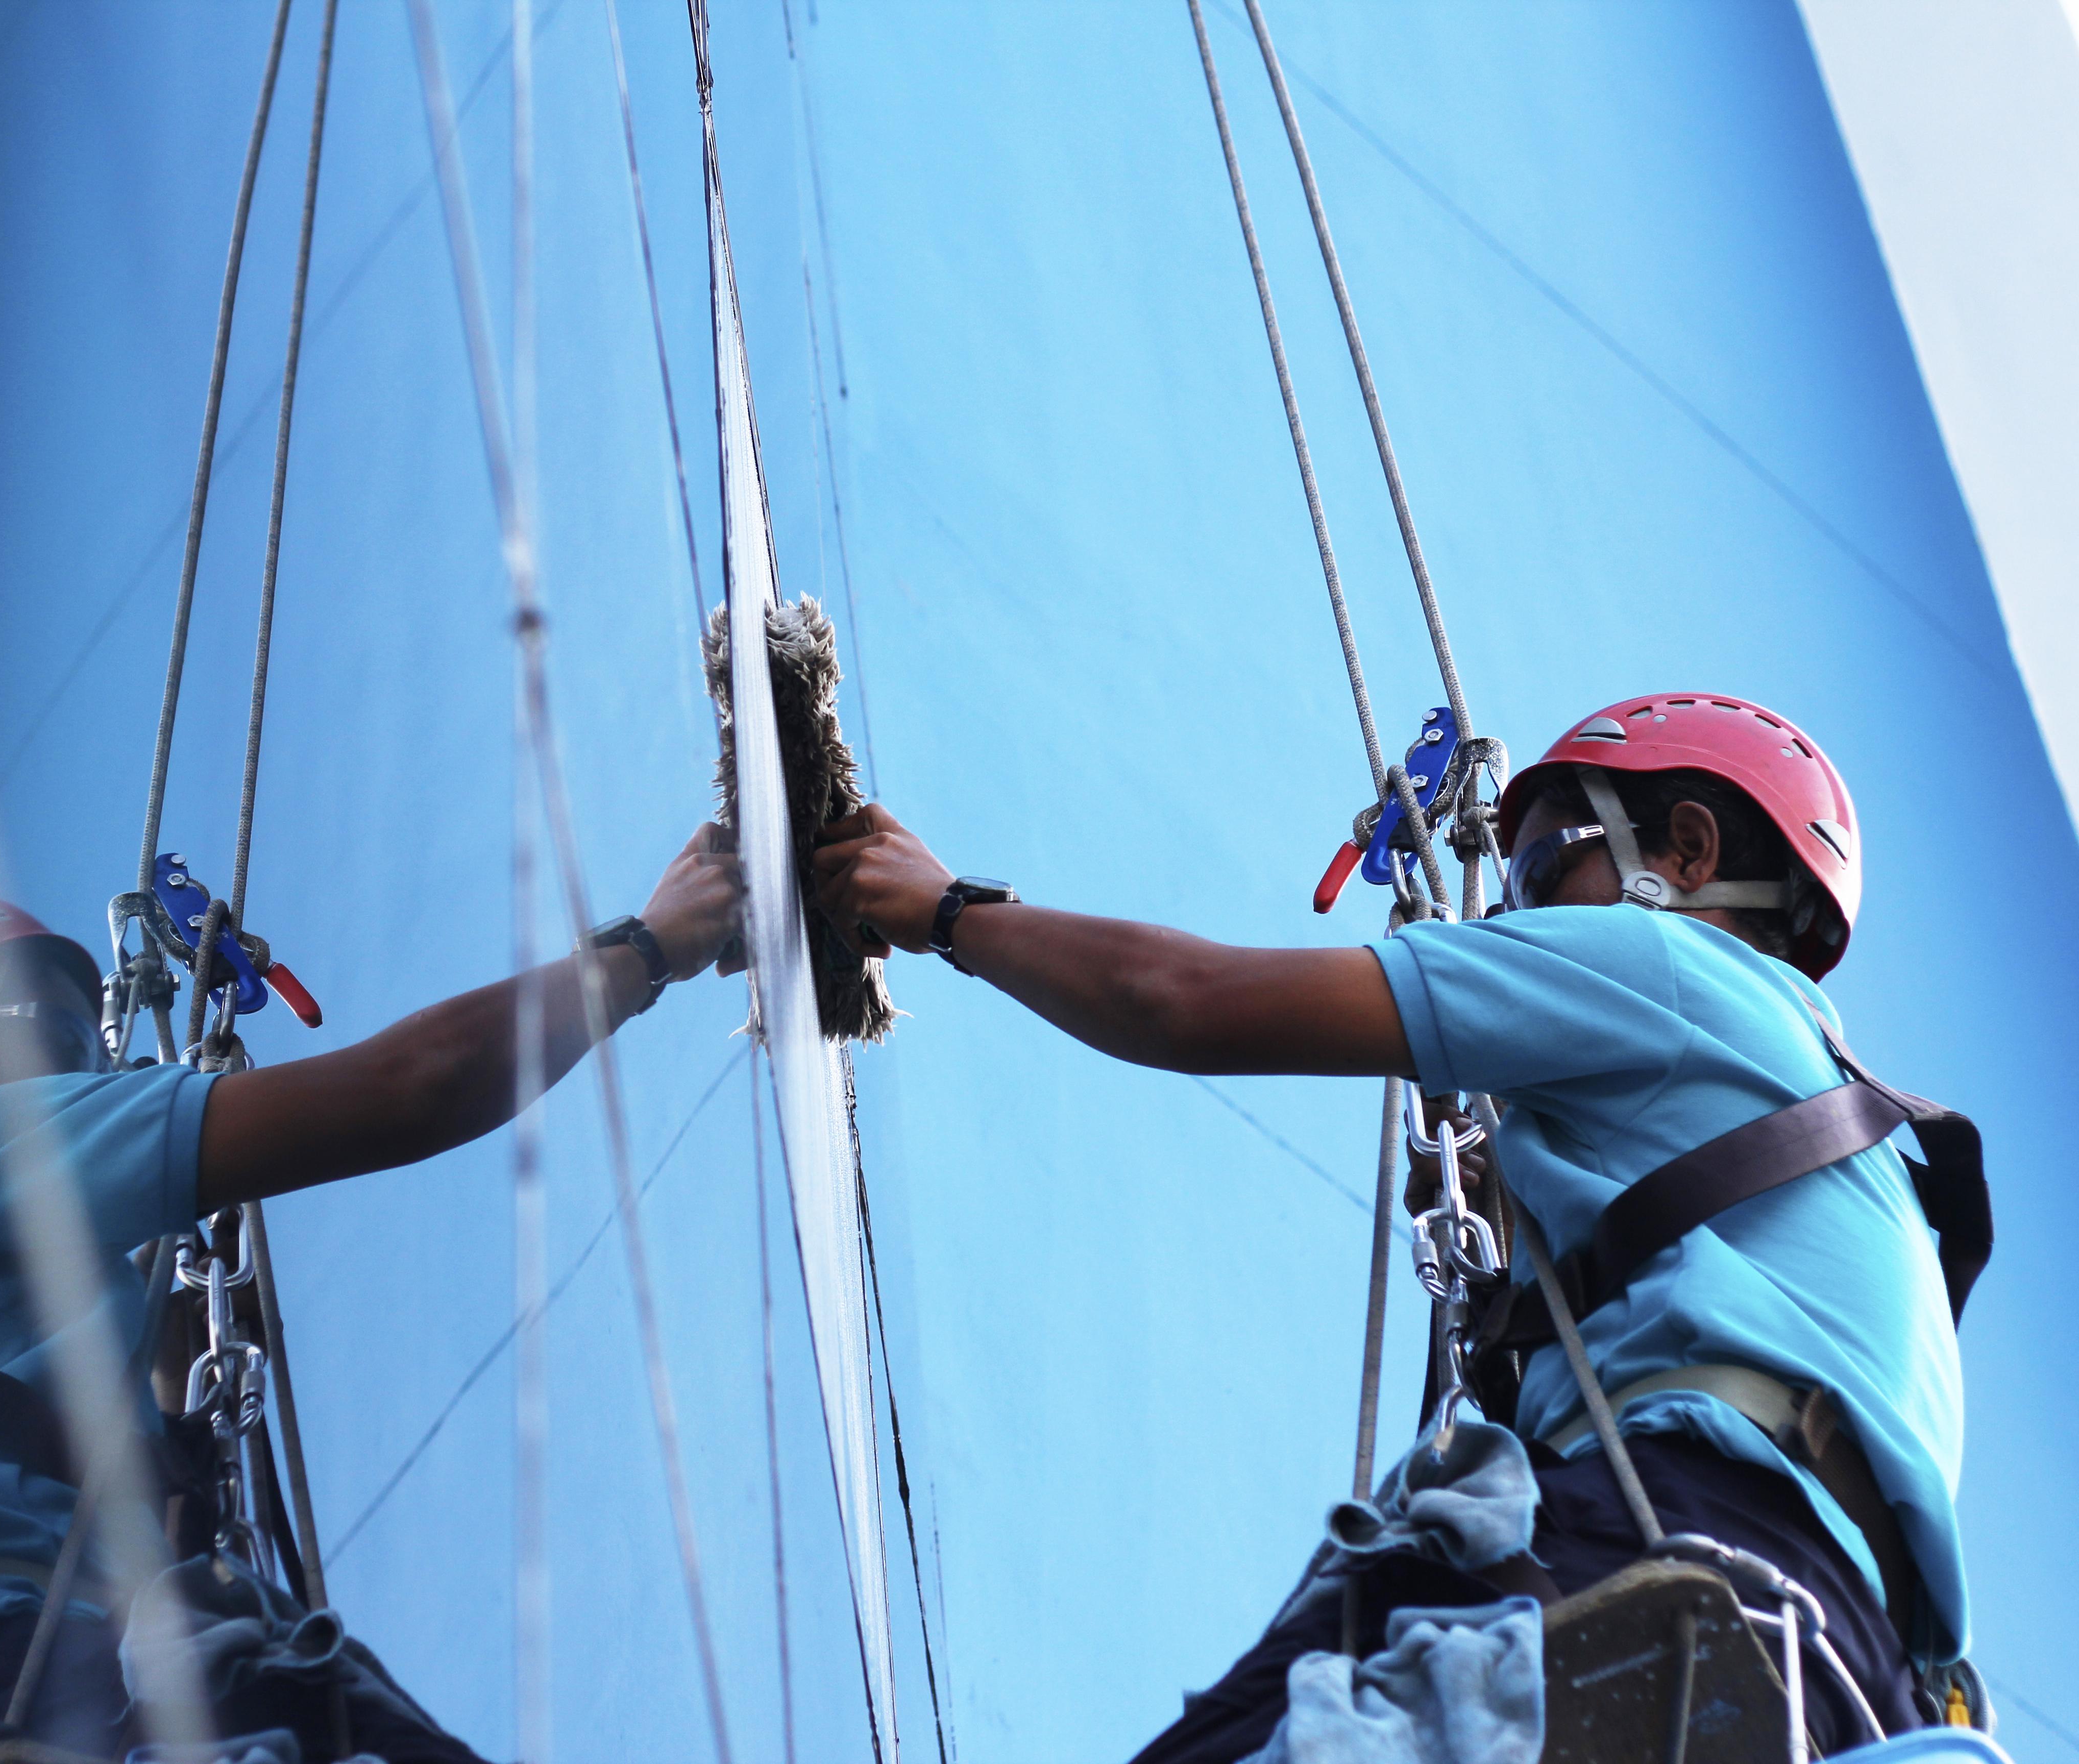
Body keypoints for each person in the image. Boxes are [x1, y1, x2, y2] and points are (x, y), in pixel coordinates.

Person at [812, 695, 1985, 1761]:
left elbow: (1183, 1001)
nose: (1519, 912)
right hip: (1831, 1682)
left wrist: (949, 911)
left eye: (1543, 870)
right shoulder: (1844, 1143)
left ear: (1686, 850)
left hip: (1687, 1560)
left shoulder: (1666, 967)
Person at [0, 826, 744, 1764]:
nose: (79, 1092)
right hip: (10, 1690)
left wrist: (168, 1384)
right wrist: (648, 951)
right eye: (56, 1054)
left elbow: (127, 1526)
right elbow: (411, 1082)